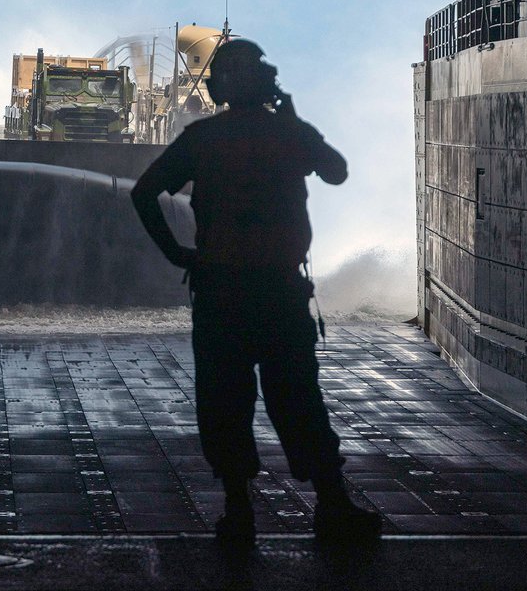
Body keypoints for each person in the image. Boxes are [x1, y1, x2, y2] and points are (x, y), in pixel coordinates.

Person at [130, 39, 381, 547]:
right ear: (261, 81)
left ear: (221, 86)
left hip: (221, 294)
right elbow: (337, 170)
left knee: (224, 403)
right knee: (299, 399)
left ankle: (239, 512)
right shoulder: (286, 135)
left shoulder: (203, 139)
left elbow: (144, 191)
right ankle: (332, 506)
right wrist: (292, 118)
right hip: (279, 292)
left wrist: (178, 255)